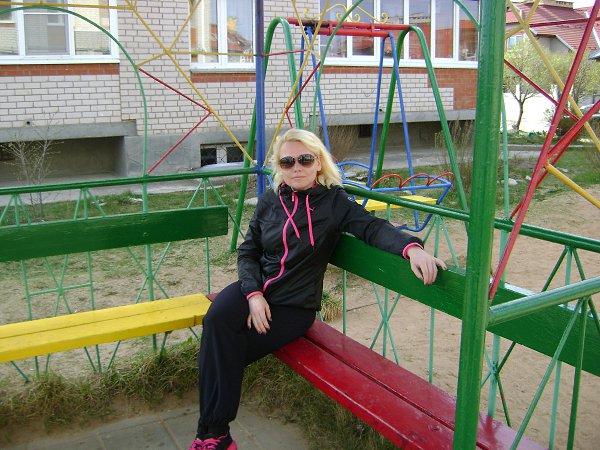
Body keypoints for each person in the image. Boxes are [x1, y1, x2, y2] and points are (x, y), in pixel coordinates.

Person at [189, 128, 446, 450]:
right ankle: (212, 436)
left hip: (293, 304)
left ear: (319, 163)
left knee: (221, 350)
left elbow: (371, 227)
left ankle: (212, 435)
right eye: (287, 161)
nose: (296, 167)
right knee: (216, 321)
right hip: (253, 290)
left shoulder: (334, 202)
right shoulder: (270, 200)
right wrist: (253, 294)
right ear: (278, 166)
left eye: (305, 159)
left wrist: (412, 248)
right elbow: (248, 250)